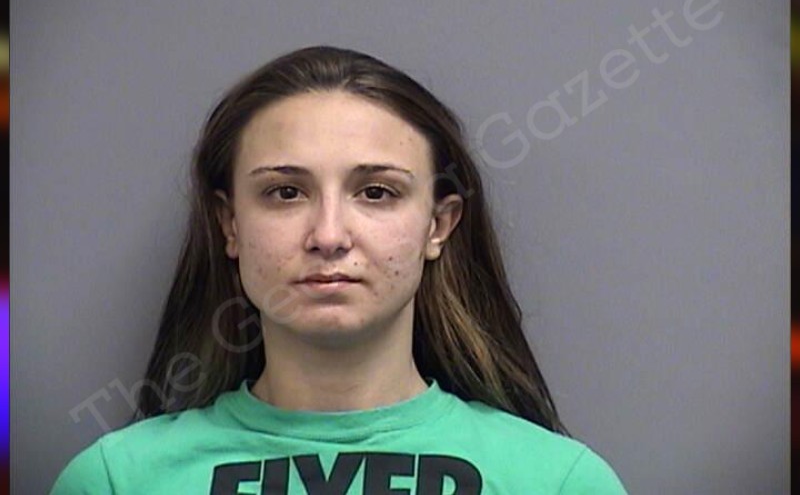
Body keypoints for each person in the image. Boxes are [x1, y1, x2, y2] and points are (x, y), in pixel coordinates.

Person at [50, 46, 627, 494]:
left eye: (376, 192)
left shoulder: (558, 482)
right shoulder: (116, 481)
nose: (328, 236)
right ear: (230, 224)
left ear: (438, 226)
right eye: (285, 192)